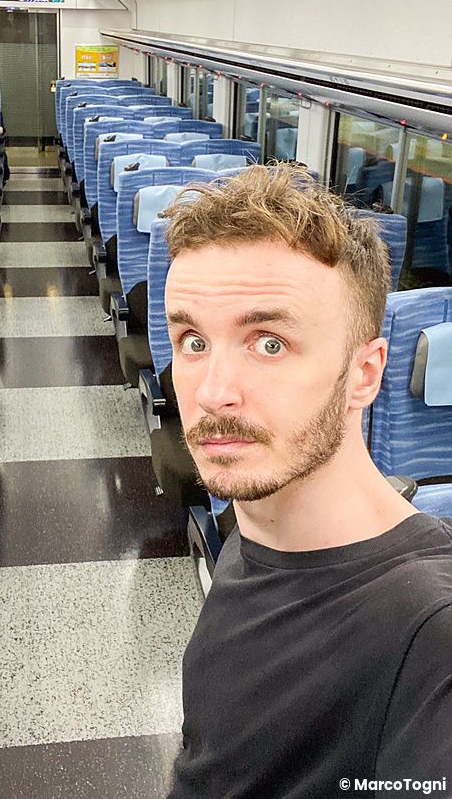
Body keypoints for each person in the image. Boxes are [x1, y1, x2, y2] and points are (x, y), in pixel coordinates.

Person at [162, 164, 452, 799]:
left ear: (365, 374)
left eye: (269, 343)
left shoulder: (431, 639)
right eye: (192, 341)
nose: (213, 393)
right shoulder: (255, 522)